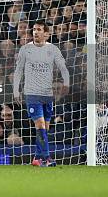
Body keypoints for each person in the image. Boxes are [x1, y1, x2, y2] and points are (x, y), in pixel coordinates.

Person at [13, 20, 70, 167]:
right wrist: (15, 90)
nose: (35, 32)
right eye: (34, 29)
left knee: (45, 127)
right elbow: (18, 70)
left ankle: (37, 159)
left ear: (47, 34)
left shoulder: (53, 49)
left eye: (39, 30)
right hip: (32, 94)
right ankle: (47, 158)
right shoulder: (25, 49)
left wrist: (66, 82)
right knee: (40, 126)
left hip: (48, 94)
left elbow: (63, 67)